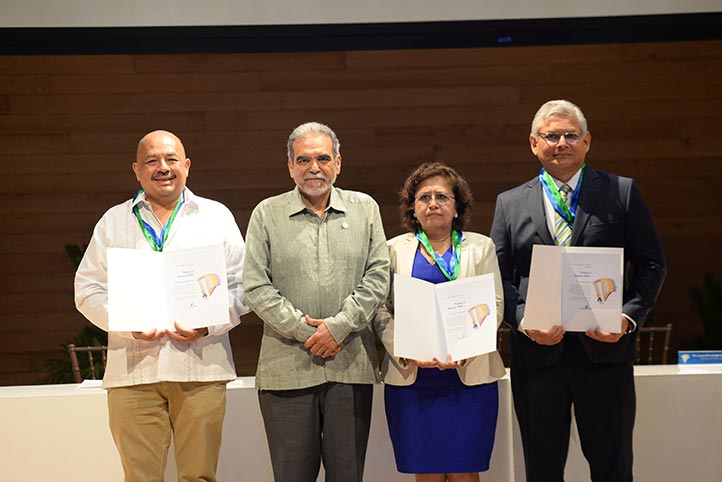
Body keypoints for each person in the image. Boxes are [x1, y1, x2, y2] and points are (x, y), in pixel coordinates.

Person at [490, 100, 667, 482]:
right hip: (537, 358)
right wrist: (522, 321)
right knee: (542, 469)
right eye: (551, 136)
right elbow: (497, 278)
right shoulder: (509, 203)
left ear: (587, 142)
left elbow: (652, 264)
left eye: (570, 135)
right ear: (534, 143)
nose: (561, 143)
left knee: (612, 467)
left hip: (605, 354)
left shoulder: (621, 192)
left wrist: (626, 317)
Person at [74, 130, 249, 482]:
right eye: (152, 161)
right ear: (137, 170)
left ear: (186, 166)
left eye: (171, 159)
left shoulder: (215, 216)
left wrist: (207, 324)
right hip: (133, 372)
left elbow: (243, 286)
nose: (162, 167)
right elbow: (87, 288)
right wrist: (125, 322)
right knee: (139, 478)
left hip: (200, 370)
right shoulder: (114, 221)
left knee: (198, 477)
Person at [242, 122, 390, 482]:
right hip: (285, 371)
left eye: (323, 158)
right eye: (303, 159)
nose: (314, 168)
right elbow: (256, 285)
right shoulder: (267, 213)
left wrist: (337, 327)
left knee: (348, 475)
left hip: (350, 366)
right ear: (290, 166)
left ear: (338, 163)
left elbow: (378, 276)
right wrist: (303, 330)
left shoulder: (364, 209)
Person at [373, 162, 505, 482]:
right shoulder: (392, 250)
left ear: (457, 207)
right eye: (424, 197)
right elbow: (379, 310)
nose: (433, 203)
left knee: (465, 473)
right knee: (427, 474)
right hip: (413, 378)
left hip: (469, 376)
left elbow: (495, 305)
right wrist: (404, 350)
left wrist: (468, 347)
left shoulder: (480, 247)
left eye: (442, 197)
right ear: (413, 208)